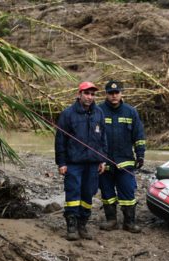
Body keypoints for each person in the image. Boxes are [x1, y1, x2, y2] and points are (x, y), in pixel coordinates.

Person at [54, 81, 107, 241]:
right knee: (73, 193)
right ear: (79, 94)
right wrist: (61, 163)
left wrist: (102, 160)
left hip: (92, 163)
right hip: (73, 163)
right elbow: (60, 140)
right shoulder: (68, 114)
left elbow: (103, 138)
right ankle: (71, 226)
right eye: (86, 93)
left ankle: (82, 225)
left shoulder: (99, 113)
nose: (89, 97)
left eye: (92, 94)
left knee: (88, 194)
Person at [97, 79, 146, 233]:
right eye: (111, 93)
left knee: (128, 192)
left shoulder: (131, 112)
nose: (114, 96)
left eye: (116, 92)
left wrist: (140, 155)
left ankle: (129, 222)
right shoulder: (98, 111)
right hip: (104, 161)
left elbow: (138, 135)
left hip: (125, 161)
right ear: (106, 94)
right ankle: (111, 220)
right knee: (107, 193)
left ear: (121, 93)